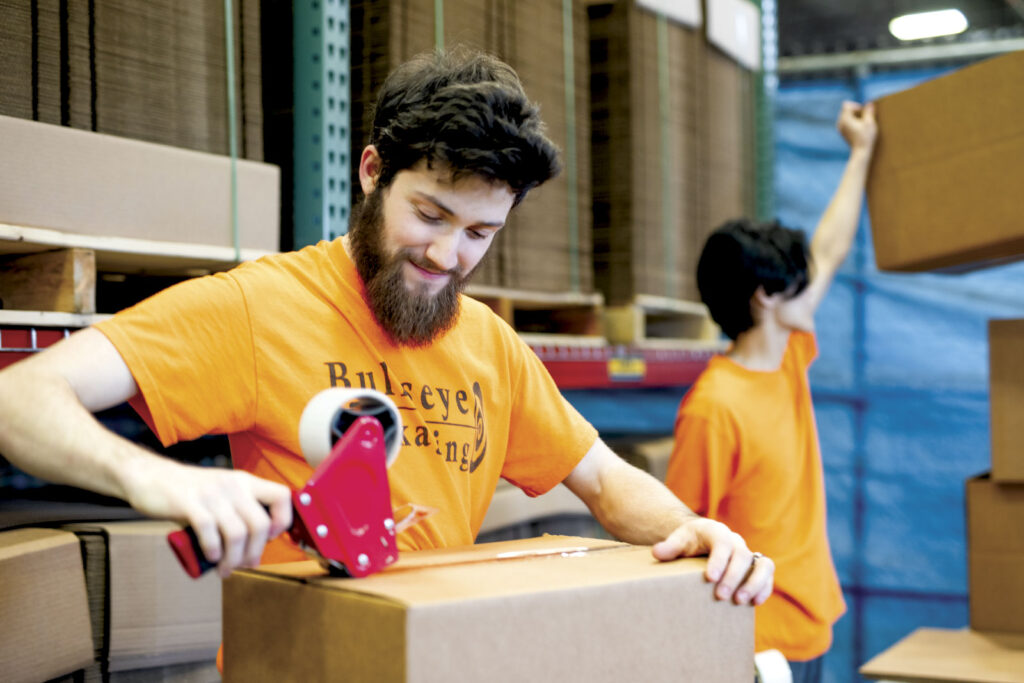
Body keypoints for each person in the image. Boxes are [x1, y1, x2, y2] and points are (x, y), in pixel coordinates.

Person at [0, 49, 772, 609]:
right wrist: (161, 479)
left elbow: (602, 478)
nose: (446, 254)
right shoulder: (259, 309)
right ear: (372, 171)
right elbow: (20, 399)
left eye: (479, 232)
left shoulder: (489, 345)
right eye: (429, 214)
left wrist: (693, 528)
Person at [664, 101, 877, 682]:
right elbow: (674, 534)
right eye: (799, 283)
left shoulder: (788, 356)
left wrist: (859, 151)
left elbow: (830, 249)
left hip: (810, 629)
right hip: (757, 648)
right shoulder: (713, 409)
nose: (816, 287)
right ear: (765, 296)